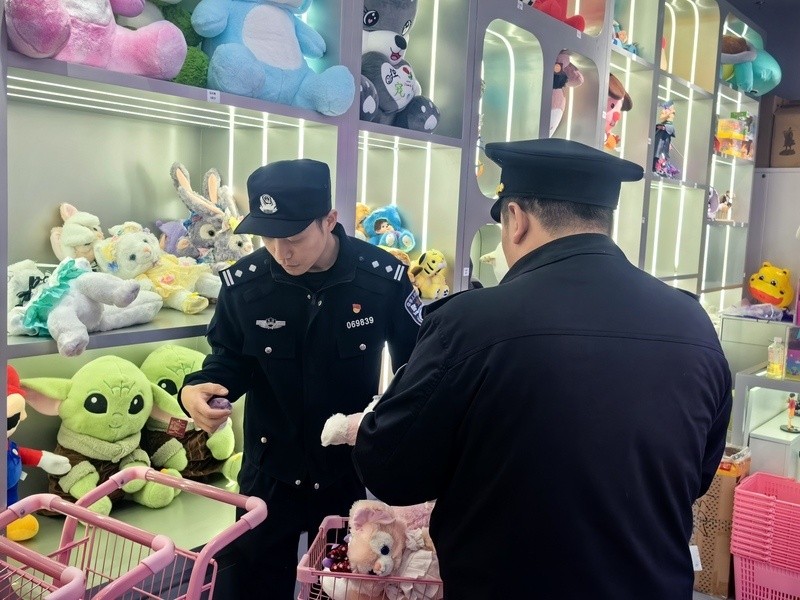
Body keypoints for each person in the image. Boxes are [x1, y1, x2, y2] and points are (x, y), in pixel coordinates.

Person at [352, 138, 732, 599]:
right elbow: (699, 473)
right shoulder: (692, 322)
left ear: (516, 219)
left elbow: (390, 469)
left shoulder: (471, 323)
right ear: (604, 220)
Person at [178, 158, 422, 598]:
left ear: (329, 220)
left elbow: (416, 368)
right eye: (267, 237)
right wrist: (197, 390)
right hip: (268, 471)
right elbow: (228, 359)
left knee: (343, 589)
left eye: (293, 238)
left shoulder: (381, 279)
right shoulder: (245, 284)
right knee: (250, 589)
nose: (280, 252)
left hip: (346, 473)